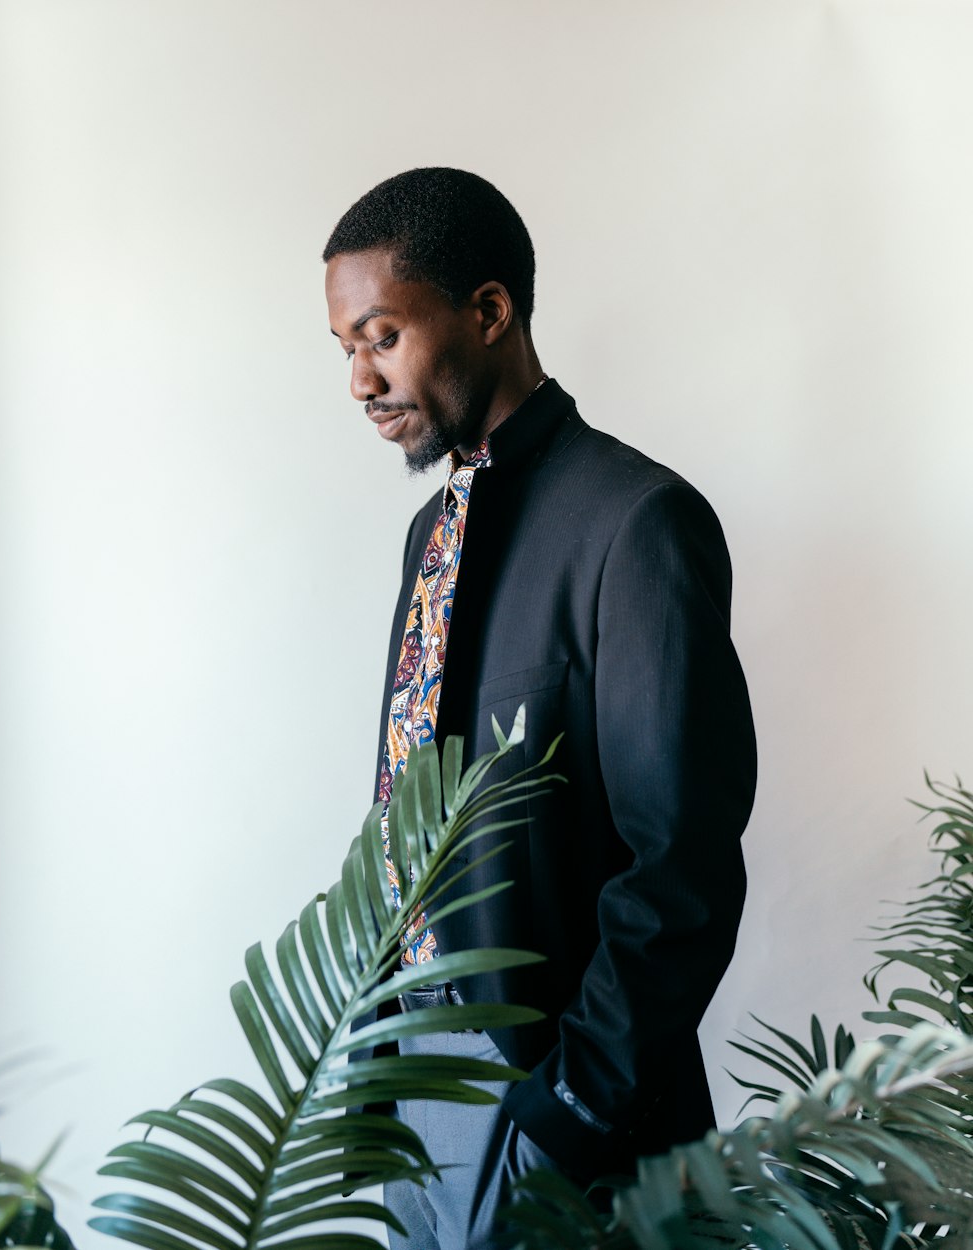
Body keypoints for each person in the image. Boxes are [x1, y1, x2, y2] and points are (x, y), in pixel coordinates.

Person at [323, 167, 756, 1249]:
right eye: (344, 349)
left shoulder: (638, 522)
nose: (360, 380)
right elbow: (402, 819)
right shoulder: (430, 537)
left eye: (380, 336)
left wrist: (565, 1108)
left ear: (487, 309)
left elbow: (682, 861)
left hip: (557, 1116)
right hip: (407, 1106)